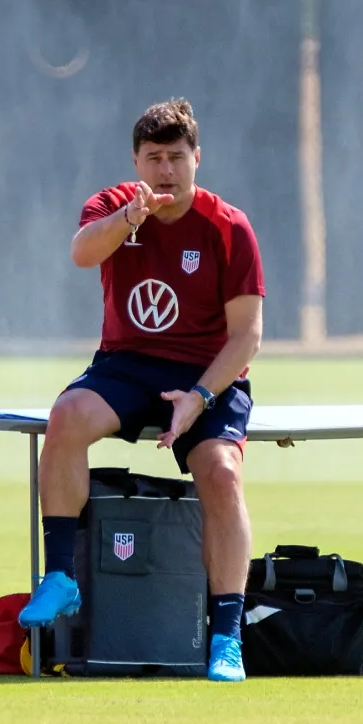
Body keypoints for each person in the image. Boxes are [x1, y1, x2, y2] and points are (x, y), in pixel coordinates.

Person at [18, 98, 264, 682]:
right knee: (67, 416)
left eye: (177, 158)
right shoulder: (112, 207)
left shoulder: (228, 226)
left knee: (222, 473)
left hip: (207, 373)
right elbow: (81, 253)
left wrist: (199, 398)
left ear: (197, 159)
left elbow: (247, 337)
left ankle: (226, 636)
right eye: (153, 158)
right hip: (126, 366)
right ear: (136, 161)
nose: (166, 172)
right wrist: (132, 218)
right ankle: (60, 577)